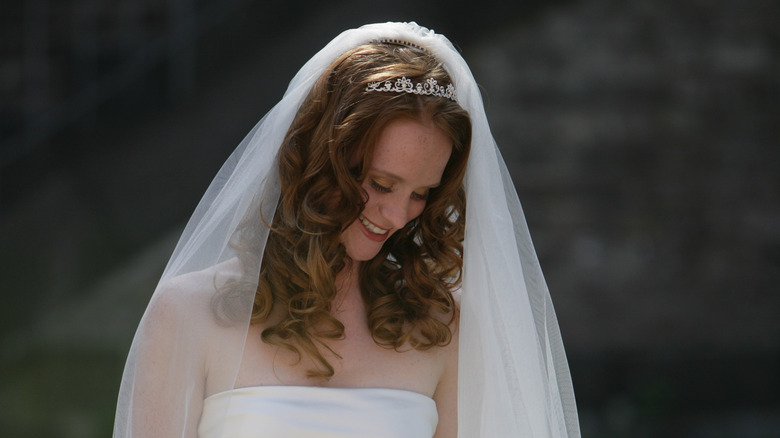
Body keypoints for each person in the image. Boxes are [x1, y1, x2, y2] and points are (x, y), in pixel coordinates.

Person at [113, 22, 580, 438]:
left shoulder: (442, 327)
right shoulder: (188, 313)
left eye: (420, 194)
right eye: (381, 184)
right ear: (321, 159)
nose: (398, 217)